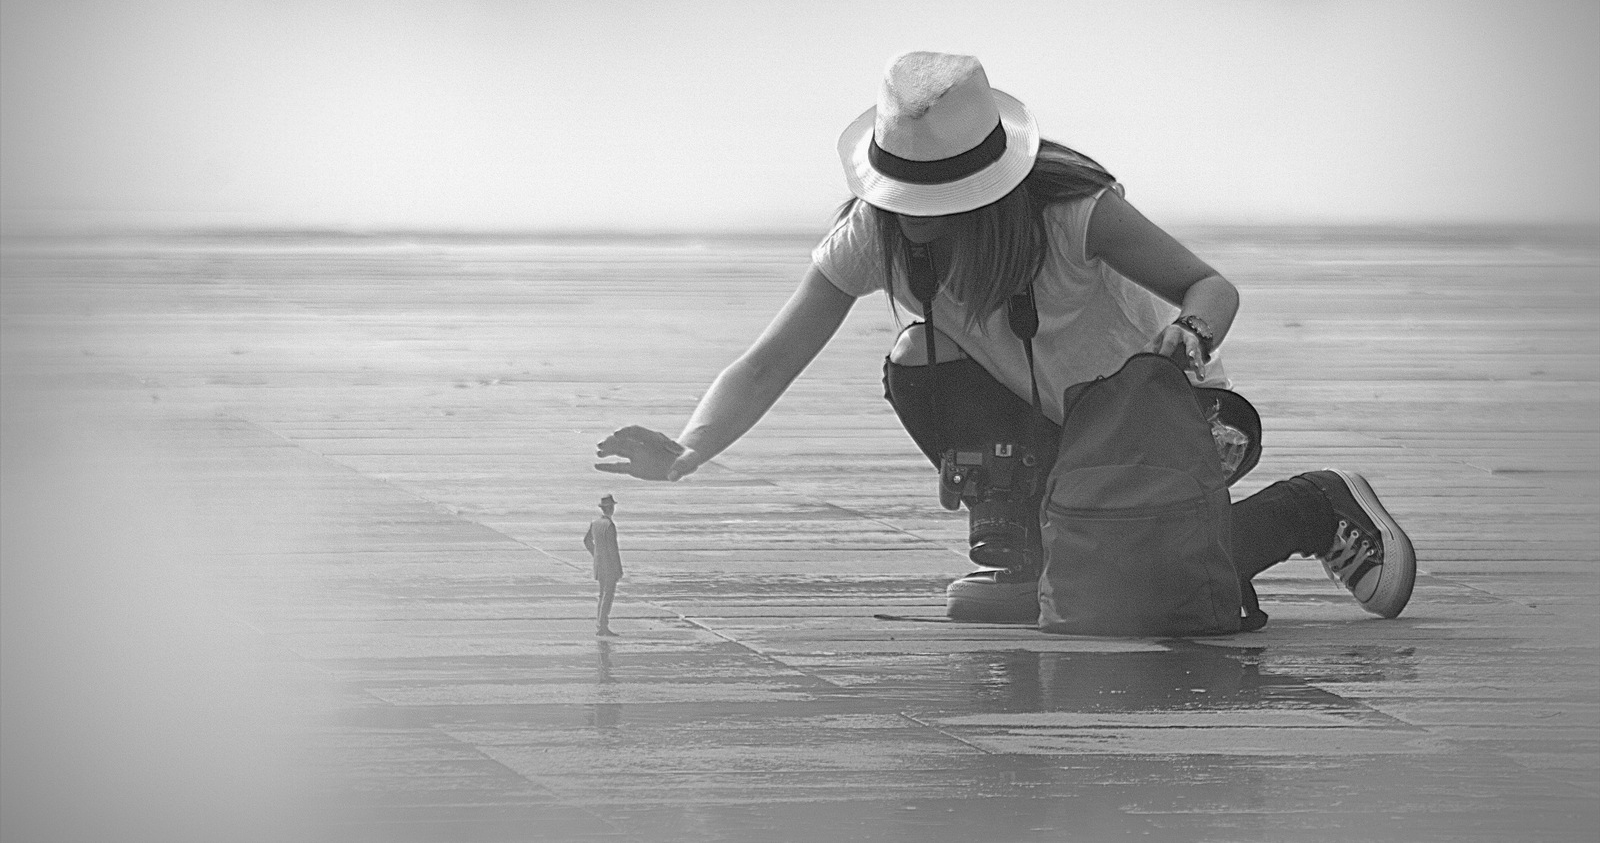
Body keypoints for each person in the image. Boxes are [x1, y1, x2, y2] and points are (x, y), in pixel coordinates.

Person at [596, 52, 1415, 625]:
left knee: (1135, 591)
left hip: (1152, 418)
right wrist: (688, 449)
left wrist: (1190, 335)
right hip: (1046, 429)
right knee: (916, 362)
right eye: (906, 200)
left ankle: (1314, 507)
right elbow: (773, 357)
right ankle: (1036, 550)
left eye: (940, 201)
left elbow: (1212, 287)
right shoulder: (870, 234)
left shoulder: (1071, 212)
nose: (920, 223)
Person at [583, 494, 623, 636]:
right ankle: (602, 626)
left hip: (599, 565)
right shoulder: (609, 525)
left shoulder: (595, 523)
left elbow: (586, 541)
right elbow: (613, 549)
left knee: (602, 595)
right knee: (608, 595)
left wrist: (596, 555)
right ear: (611, 508)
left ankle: (600, 624)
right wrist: (618, 569)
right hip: (609, 566)